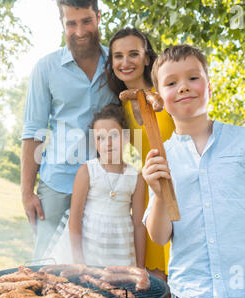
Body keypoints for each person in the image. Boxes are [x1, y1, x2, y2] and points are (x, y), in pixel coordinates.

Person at [142, 44, 245, 298]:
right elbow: (159, 236)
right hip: (188, 293)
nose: (183, 87)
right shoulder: (160, 157)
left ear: (209, 87)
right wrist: (158, 194)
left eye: (193, 78)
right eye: (171, 83)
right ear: (158, 99)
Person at [21, 0, 117, 260]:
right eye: (71, 23)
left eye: (86, 21)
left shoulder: (117, 66)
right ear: (61, 23)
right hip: (57, 183)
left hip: (104, 184)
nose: (80, 31)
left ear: (98, 17)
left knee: (96, 263)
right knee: (46, 262)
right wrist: (26, 192)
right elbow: (33, 132)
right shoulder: (46, 68)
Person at [104, 27, 175, 279]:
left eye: (133, 54)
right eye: (118, 56)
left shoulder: (169, 95)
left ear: (147, 58)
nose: (125, 62)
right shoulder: (115, 110)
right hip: (139, 208)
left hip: (176, 200)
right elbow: (127, 160)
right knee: (150, 286)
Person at [44, 104, 146, 267]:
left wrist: (140, 267)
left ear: (126, 138)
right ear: (95, 143)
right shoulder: (87, 171)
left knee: (117, 291)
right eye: (101, 138)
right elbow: (75, 218)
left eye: (114, 135)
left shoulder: (136, 177)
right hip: (88, 250)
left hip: (120, 252)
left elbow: (139, 225)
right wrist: (79, 262)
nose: (108, 143)